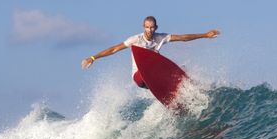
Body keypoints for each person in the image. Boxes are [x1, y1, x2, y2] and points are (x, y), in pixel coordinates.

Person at [81, 16, 220, 88]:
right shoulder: (135, 39)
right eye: (147, 27)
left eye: (152, 27)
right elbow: (114, 49)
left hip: (155, 76)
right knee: (151, 64)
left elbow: (183, 38)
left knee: (181, 69)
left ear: (156, 27)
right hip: (139, 77)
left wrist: (204, 35)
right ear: (143, 27)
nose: (150, 30)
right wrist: (93, 57)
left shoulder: (160, 37)